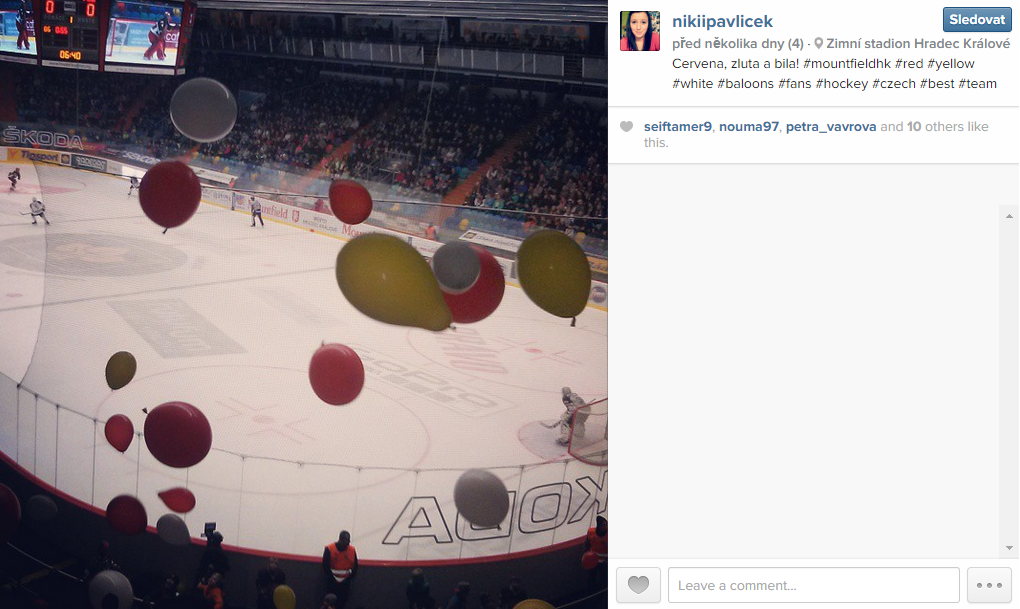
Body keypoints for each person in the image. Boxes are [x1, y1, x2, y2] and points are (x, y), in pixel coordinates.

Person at [322, 530, 358, 607]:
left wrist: (349, 578)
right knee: (330, 602)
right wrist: (332, 578)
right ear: (341, 539)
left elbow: (355, 566)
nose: (349, 542)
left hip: (345, 583)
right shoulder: (329, 548)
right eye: (347, 540)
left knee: (342, 602)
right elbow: (325, 565)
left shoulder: (352, 550)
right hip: (332, 581)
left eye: (349, 539)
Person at [584, 516, 608, 586]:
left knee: (604, 579)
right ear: (599, 526)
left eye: (606, 524)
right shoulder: (591, 532)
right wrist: (586, 554)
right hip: (593, 560)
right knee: (591, 577)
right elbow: (587, 543)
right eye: (603, 525)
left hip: (604, 561)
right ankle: (590, 589)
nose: (605, 527)